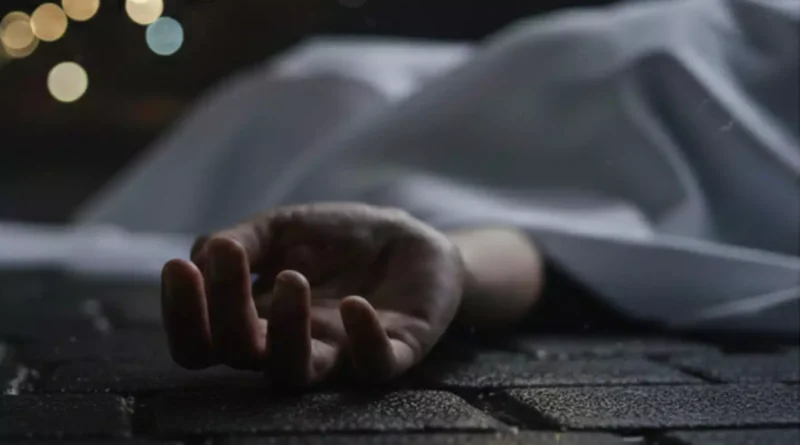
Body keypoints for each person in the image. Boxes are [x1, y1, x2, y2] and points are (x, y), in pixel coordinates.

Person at [74, 0, 799, 387]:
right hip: (610, 54)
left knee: (314, 92)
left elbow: (636, 250)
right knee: (320, 84)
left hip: (616, 91)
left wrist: (454, 257)